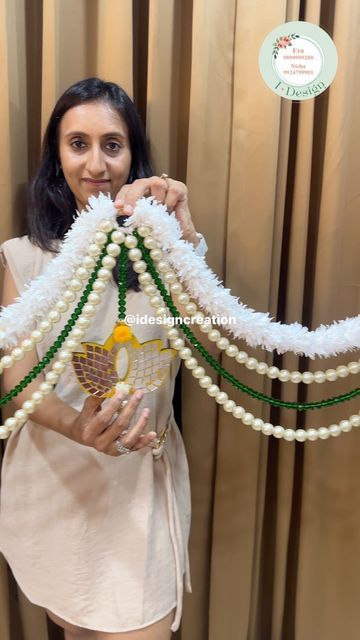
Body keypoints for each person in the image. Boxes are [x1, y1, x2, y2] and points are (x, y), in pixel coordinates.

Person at [0, 77, 206, 640]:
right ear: (56, 157)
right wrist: (78, 427)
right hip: (55, 481)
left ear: (134, 156)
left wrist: (181, 234)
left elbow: (202, 333)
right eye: (78, 143)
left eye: (112, 144)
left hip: (138, 488)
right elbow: (16, 383)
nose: (96, 162)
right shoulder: (24, 258)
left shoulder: (170, 254)